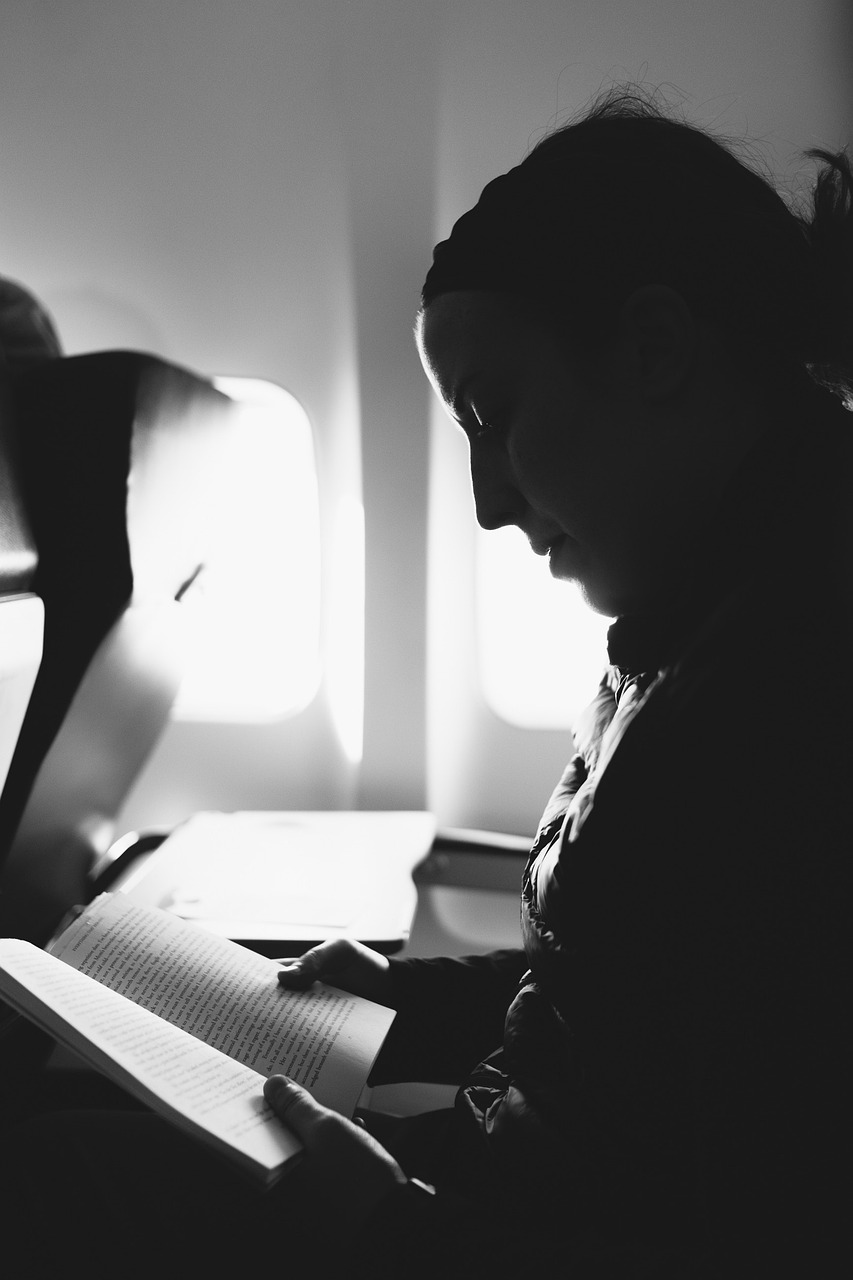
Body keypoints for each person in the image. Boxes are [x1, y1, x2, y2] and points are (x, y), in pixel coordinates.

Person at [2, 87, 851, 1277]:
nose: (487, 502)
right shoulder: (704, 623)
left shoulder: (793, 700)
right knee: (72, 1140)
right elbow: (627, 998)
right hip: (504, 1183)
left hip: (483, 1226)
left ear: (655, 351)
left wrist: (385, 1225)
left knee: (47, 1178)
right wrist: (405, 1000)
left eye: (492, 416)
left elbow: (759, 1238)